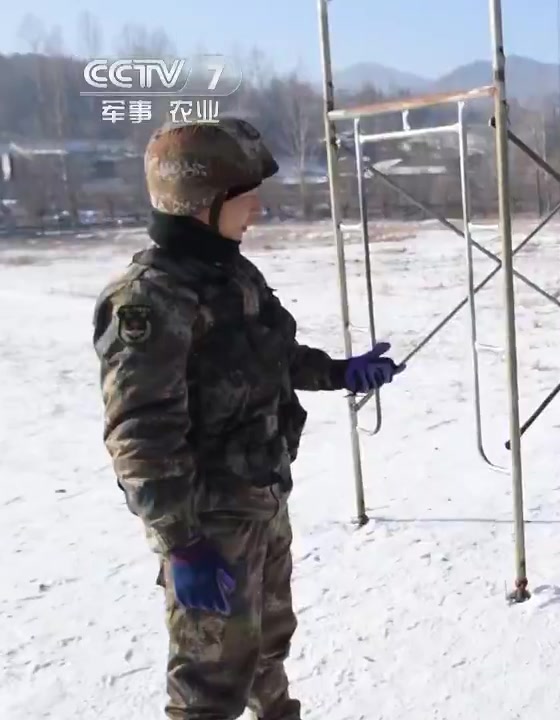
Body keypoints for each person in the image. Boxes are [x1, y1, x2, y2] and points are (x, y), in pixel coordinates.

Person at [92, 117, 402, 719]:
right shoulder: (148, 300)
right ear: (201, 203)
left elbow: (273, 356)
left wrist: (339, 372)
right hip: (207, 525)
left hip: (261, 499)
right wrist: (181, 544)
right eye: (243, 196)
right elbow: (140, 436)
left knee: (265, 649)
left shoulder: (230, 274)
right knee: (209, 688)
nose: (256, 208)